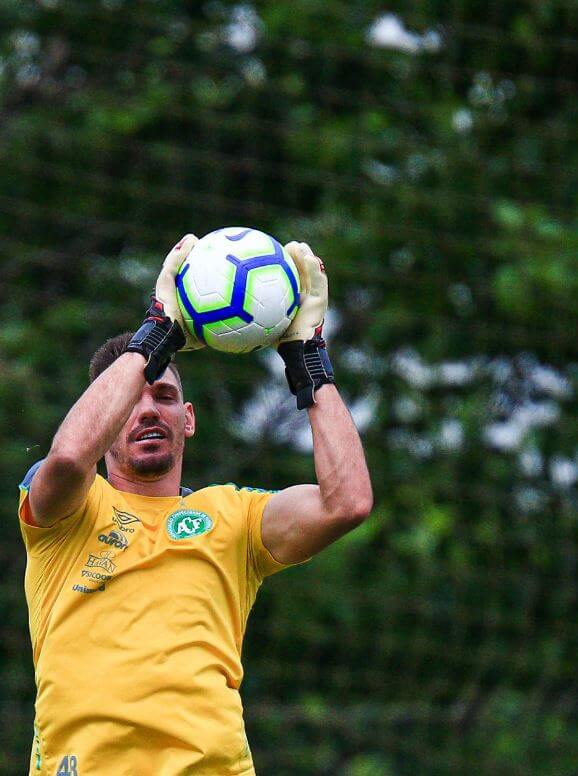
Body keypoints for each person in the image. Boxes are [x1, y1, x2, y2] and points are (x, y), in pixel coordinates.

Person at [16, 235, 373, 774]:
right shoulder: (67, 510)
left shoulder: (234, 517)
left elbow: (347, 503)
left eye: (163, 397)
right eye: (130, 402)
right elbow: (69, 458)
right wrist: (158, 330)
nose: (147, 411)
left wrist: (309, 361)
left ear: (188, 418)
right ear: (105, 417)